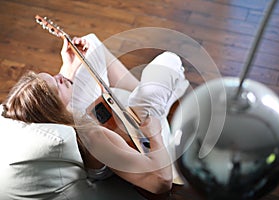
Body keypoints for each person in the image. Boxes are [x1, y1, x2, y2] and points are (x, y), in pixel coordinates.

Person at [0, 33, 189, 199]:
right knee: (170, 61)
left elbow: (62, 98)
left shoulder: (47, 121)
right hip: (143, 134)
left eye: (53, 76)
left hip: (103, 120)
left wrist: (69, 69)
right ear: (53, 108)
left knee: (90, 43)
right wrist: (154, 131)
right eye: (56, 85)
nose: (59, 76)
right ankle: (158, 99)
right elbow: (161, 182)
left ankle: (163, 91)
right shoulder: (91, 136)